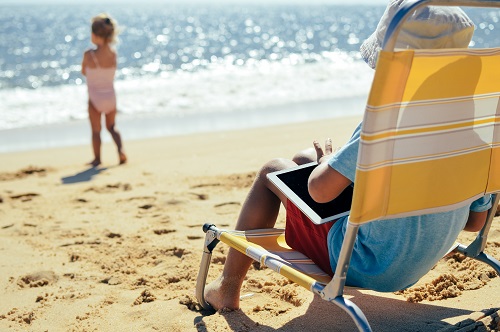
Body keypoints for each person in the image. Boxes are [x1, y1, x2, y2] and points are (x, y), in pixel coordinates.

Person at [204, 0, 492, 311]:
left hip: (360, 262)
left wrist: (328, 160)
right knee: (302, 161)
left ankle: (226, 289)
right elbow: (475, 223)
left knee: (272, 170)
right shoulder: (476, 133)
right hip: (417, 264)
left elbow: (320, 191)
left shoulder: (386, 126)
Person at [81, 13, 126, 167]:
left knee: (96, 130)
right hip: (111, 96)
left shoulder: (89, 55)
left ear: (95, 35)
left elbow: (84, 72)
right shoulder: (113, 54)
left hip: (95, 97)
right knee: (112, 127)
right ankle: (121, 151)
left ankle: (97, 159)